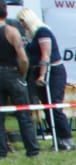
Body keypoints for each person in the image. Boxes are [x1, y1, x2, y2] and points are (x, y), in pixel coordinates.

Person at [17, 7, 70, 151]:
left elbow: (45, 56)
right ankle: (56, 139)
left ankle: (66, 139)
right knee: (47, 108)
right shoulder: (31, 36)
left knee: (54, 106)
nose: (22, 24)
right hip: (39, 71)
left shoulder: (43, 31)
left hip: (53, 72)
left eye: (23, 21)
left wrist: (42, 75)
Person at [0, 0, 38, 157]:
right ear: (6, 12)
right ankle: (32, 149)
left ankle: (2, 151)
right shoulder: (11, 31)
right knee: (23, 114)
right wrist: (21, 75)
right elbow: (23, 59)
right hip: (12, 74)